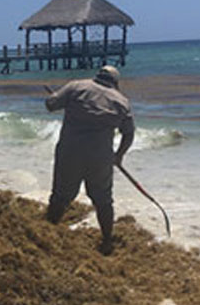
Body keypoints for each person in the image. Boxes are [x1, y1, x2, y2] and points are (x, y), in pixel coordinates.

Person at [44, 65, 134, 255]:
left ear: (97, 76)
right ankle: (107, 241)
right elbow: (129, 134)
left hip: (70, 153)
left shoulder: (76, 86)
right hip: (100, 158)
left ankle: (47, 232)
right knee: (103, 201)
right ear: (116, 83)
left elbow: (50, 105)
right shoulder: (122, 101)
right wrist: (118, 156)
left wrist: (53, 97)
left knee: (61, 196)